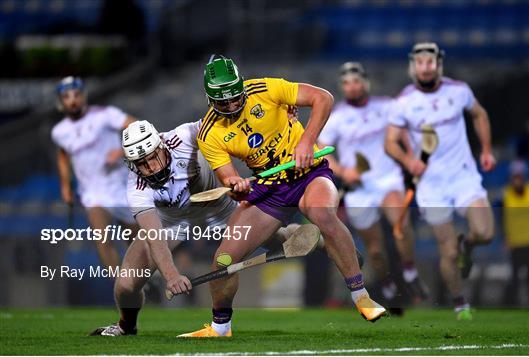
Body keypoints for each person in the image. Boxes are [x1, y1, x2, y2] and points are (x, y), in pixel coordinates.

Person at [179, 55, 386, 338]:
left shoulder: (265, 89)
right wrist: (236, 183)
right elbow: (226, 176)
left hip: (309, 173)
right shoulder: (209, 132)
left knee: (322, 214)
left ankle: (361, 297)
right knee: (224, 261)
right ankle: (220, 327)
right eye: (222, 102)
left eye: (234, 98)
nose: (230, 106)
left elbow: (323, 98)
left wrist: (306, 141)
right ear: (209, 99)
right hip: (269, 188)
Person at [91, 120, 315, 336]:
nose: (150, 168)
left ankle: (306, 235)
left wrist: (280, 120)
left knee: (278, 241)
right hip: (171, 222)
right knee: (126, 284)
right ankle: (126, 326)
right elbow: (154, 237)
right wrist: (171, 276)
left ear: (161, 144)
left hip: (220, 210)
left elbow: (223, 124)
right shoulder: (137, 188)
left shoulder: (183, 137)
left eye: (152, 158)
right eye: (142, 164)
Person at [384, 43, 496, 320]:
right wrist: (409, 162)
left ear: (438, 64)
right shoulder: (404, 102)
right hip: (431, 186)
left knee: (485, 233)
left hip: (463, 176)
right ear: (413, 66)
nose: (425, 67)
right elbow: (390, 143)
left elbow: (479, 114)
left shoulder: (459, 91)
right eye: (420, 62)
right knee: (446, 250)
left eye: (430, 62)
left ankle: (467, 245)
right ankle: (461, 304)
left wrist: (486, 149)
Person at [318, 62, 428, 311]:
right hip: (359, 189)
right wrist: (344, 171)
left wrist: (412, 159)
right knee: (376, 251)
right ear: (342, 87)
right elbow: (321, 150)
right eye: (347, 83)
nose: (353, 87)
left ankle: (409, 270)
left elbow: (406, 135)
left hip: (388, 180)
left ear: (366, 83)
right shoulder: (338, 118)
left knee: (401, 225)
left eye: (356, 81)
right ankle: (387, 283)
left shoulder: (387, 106)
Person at [51, 76, 138, 268]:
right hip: (93, 194)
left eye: (76, 94)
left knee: (136, 241)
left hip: (121, 188)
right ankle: (121, 288)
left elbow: (138, 127)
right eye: (66, 96)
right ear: (61, 101)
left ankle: (143, 280)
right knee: (103, 241)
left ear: (84, 96)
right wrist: (65, 185)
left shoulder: (105, 115)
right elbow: (63, 155)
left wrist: (122, 149)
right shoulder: (60, 131)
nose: (72, 100)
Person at [502, 160, 529, 308]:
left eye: (519, 176)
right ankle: (514, 305)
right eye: (514, 177)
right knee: (515, 277)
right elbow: (502, 218)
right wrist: (505, 238)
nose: (517, 180)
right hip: (515, 243)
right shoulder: (506, 195)